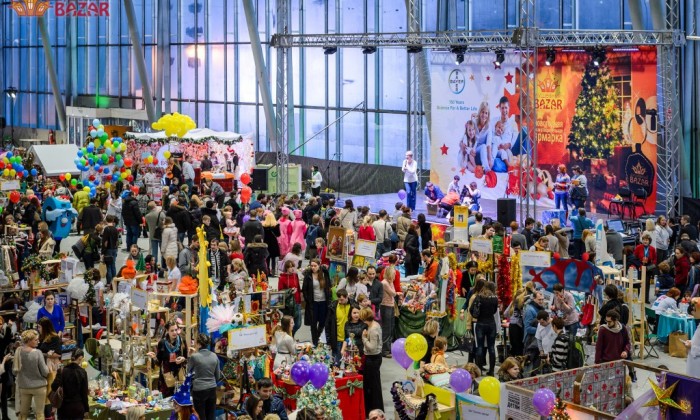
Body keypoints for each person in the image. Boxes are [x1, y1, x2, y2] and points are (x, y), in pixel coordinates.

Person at [147, 320, 188, 397]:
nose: (174, 332)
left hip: (179, 376)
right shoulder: (162, 343)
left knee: (180, 399)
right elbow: (158, 363)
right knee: (167, 400)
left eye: (176, 330)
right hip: (166, 378)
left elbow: (186, 359)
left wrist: (183, 359)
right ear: (167, 331)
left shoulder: (182, 340)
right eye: (172, 330)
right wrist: (154, 357)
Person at [15, 330, 49, 420]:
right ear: (29, 340)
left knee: (23, 413)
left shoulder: (18, 352)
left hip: (23, 386)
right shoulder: (37, 352)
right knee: (40, 413)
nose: (38, 341)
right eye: (36, 340)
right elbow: (45, 371)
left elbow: (14, 371)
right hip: (39, 386)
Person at [187, 334, 221, 420]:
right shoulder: (214, 356)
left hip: (199, 390)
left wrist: (189, 356)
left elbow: (188, 373)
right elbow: (218, 376)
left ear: (199, 344)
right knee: (211, 416)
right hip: (212, 389)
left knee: (200, 416)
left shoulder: (194, 357)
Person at [51, 348, 89, 420]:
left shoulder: (62, 370)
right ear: (80, 358)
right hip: (78, 407)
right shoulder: (82, 372)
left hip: (63, 407)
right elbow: (84, 393)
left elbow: (54, 387)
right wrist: (86, 409)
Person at [360, 307, 384, 415]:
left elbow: (372, 347)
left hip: (372, 359)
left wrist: (364, 338)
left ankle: (374, 410)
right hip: (374, 358)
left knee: (372, 386)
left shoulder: (373, 329)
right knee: (373, 385)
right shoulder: (375, 325)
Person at [302, 259, 331, 346]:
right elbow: (304, 289)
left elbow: (328, 285)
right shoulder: (308, 275)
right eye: (312, 266)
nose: (313, 267)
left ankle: (318, 337)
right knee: (313, 323)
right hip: (313, 302)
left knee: (322, 322)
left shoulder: (324, 273)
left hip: (323, 302)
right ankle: (315, 341)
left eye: (315, 266)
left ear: (319, 265)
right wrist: (308, 300)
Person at [473, 282, 499, 376]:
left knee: (479, 347)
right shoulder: (495, 298)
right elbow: (495, 311)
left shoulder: (479, 297)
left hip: (480, 323)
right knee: (491, 347)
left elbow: (472, 309)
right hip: (491, 323)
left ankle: (479, 370)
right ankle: (491, 370)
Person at [325, 289, 353, 362]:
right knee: (336, 363)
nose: (340, 301)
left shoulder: (352, 305)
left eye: (342, 299)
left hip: (350, 340)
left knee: (349, 364)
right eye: (339, 299)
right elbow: (327, 325)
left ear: (347, 297)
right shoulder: (333, 307)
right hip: (337, 340)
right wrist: (329, 341)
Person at [278, 260, 302, 334]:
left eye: (293, 266)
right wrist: (290, 291)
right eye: (290, 267)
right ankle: (289, 336)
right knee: (289, 324)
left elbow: (298, 287)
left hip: (297, 302)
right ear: (286, 268)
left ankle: (291, 335)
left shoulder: (295, 275)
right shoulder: (282, 278)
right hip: (288, 304)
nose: (292, 268)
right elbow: (280, 291)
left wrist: (300, 298)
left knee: (298, 324)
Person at [380, 266, 397, 358]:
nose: (395, 275)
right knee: (386, 329)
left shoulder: (390, 282)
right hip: (385, 306)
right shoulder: (384, 283)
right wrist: (396, 292)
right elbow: (393, 293)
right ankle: (385, 350)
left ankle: (388, 349)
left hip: (390, 306)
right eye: (393, 274)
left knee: (390, 328)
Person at [262, 212, 281, 276]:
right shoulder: (276, 225)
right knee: (273, 258)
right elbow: (278, 235)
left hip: (266, 243)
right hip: (273, 243)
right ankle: (273, 272)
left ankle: (267, 271)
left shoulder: (263, 225)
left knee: (267, 258)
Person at [685, 304, 700, 378]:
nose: (692, 312)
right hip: (693, 362)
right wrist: (691, 342)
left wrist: (692, 346)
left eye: (694, 310)